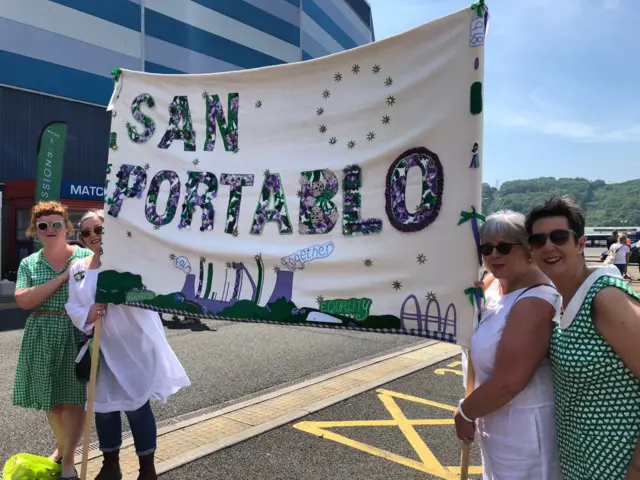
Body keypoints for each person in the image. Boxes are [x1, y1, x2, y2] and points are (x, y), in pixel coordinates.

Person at [65, 209, 190, 480]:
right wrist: (88, 313)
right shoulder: (78, 269)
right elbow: (73, 303)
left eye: (99, 229)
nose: (92, 236)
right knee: (104, 408)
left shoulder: (131, 263)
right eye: (85, 232)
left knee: (136, 406)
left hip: (134, 345)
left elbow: (151, 293)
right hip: (101, 346)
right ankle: (111, 465)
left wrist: (121, 291)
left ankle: (147, 468)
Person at [525, 196, 640, 480]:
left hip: (618, 464)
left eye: (559, 236)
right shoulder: (562, 302)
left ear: (580, 243)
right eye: (538, 240)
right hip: (581, 462)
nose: (548, 246)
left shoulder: (604, 297)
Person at [454, 211, 562, 479]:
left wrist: (465, 413)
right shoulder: (492, 284)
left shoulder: (535, 301)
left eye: (503, 247)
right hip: (494, 421)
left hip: (525, 432)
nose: (493, 255)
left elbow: (509, 382)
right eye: (486, 248)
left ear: (528, 249)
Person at [13, 201, 92, 480]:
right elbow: (24, 300)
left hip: (75, 331)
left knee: (73, 401)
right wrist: (62, 278)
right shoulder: (29, 263)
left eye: (57, 224)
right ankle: (62, 448)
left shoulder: (84, 255)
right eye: (43, 225)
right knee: (52, 402)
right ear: (35, 230)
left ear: (67, 227)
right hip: (42, 331)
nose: (50, 229)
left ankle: (68, 459)